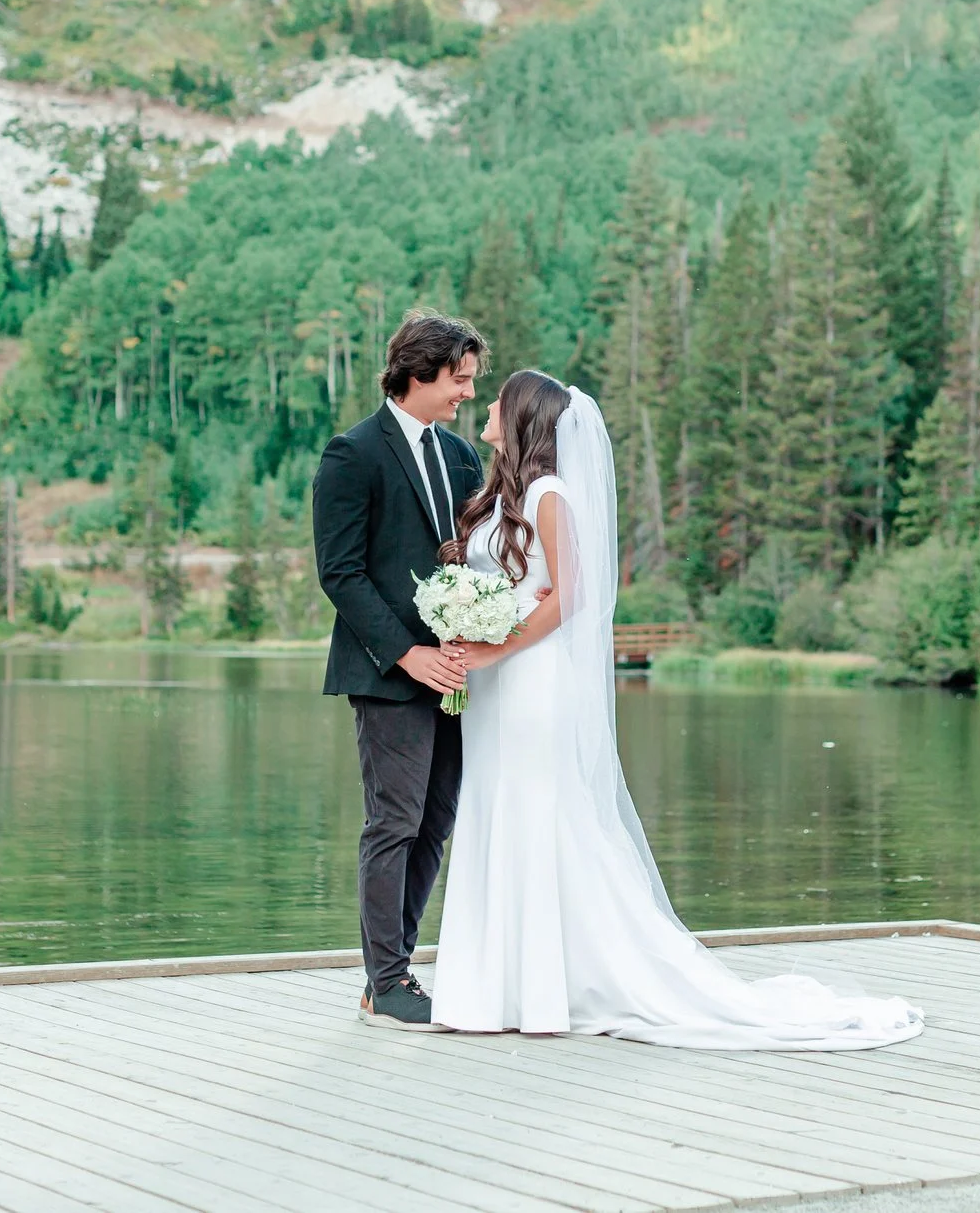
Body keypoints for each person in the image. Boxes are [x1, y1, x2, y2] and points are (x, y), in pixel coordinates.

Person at [429, 369, 922, 1050]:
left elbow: (568, 598)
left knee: (536, 813)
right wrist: (466, 630)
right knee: (493, 808)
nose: (485, 405)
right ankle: (495, 988)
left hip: (530, 681)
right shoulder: (497, 496)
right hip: (493, 688)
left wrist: (496, 647)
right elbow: (500, 584)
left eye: (496, 396)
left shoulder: (548, 494)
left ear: (521, 415)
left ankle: (547, 989)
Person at [310, 310, 485, 1030]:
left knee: (436, 820)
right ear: (419, 374)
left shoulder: (462, 457)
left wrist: (471, 640)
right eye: (459, 379)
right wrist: (408, 652)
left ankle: (397, 969)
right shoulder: (352, 454)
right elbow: (341, 572)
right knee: (395, 820)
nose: (468, 393)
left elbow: (472, 560)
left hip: (454, 670)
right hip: (387, 672)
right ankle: (385, 980)